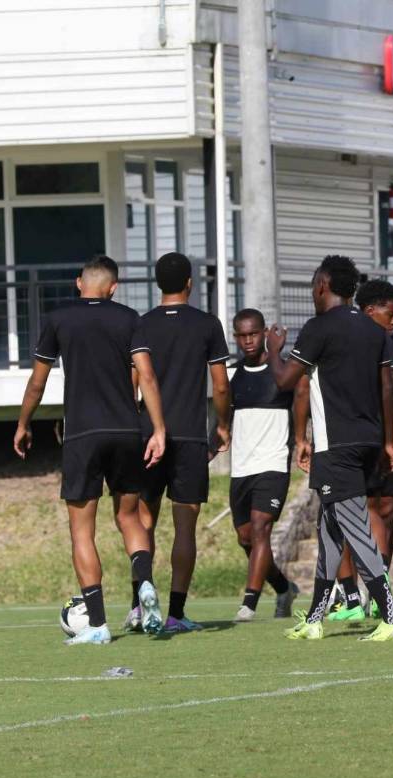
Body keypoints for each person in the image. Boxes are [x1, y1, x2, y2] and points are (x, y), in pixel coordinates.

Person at [14, 255, 167, 643]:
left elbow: (37, 383)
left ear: (79, 283)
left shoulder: (59, 318)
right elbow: (147, 376)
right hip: (126, 431)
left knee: (82, 532)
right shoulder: (129, 318)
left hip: (83, 435)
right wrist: (158, 429)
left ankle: (98, 625)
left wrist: (23, 424)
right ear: (113, 288)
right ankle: (145, 583)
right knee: (129, 518)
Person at [265, 254, 393, 641]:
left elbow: (286, 381)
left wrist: (273, 349)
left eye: (314, 285)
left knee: (356, 528)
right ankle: (314, 619)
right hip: (368, 441)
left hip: (337, 446)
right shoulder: (374, 330)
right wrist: (388, 440)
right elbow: (387, 387)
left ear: (322, 286)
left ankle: (391, 616)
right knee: (330, 527)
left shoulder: (318, 328)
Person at [131, 252, 231, 632]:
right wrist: (223, 425)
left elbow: (134, 383)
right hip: (189, 436)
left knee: (143, 521)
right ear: (190, 282)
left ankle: (139, 604)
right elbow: (220, 385)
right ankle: (175, 613)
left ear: (158, 284)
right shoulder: (207, 324)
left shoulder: (141, 324)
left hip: (147, 436)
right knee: (185, 527)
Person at [320, 279, 393, 623]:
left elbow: (392, 394)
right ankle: (351, 595)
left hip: (385, 438)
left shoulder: (387, 342)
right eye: (390, 313)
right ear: (370, 311)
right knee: (352, 515)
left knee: (387, 509)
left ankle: (378, 593)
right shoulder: (348, 339)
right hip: (356, 439)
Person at [228, 308, 303, 622]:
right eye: (242, 335)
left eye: (253, 334)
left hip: (273, 464)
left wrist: (301, 441)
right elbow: (223, 417)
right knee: (246, 538)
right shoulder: (232, 374)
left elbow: (301, 400)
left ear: (263, 333)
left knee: (261, 528)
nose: (248, 341)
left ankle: (249, 603)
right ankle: (284, 588)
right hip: (241, 467)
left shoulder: (282, 372)